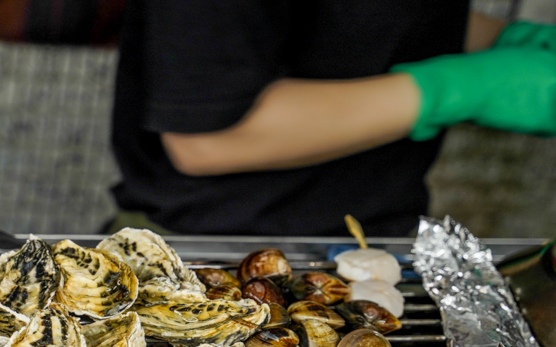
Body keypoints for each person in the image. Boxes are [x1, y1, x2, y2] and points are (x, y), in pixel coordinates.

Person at [109, 2, 556, 237]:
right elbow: (203, 142)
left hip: (378, 240)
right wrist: (459, 89)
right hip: (206, 249)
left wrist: (509, 42)